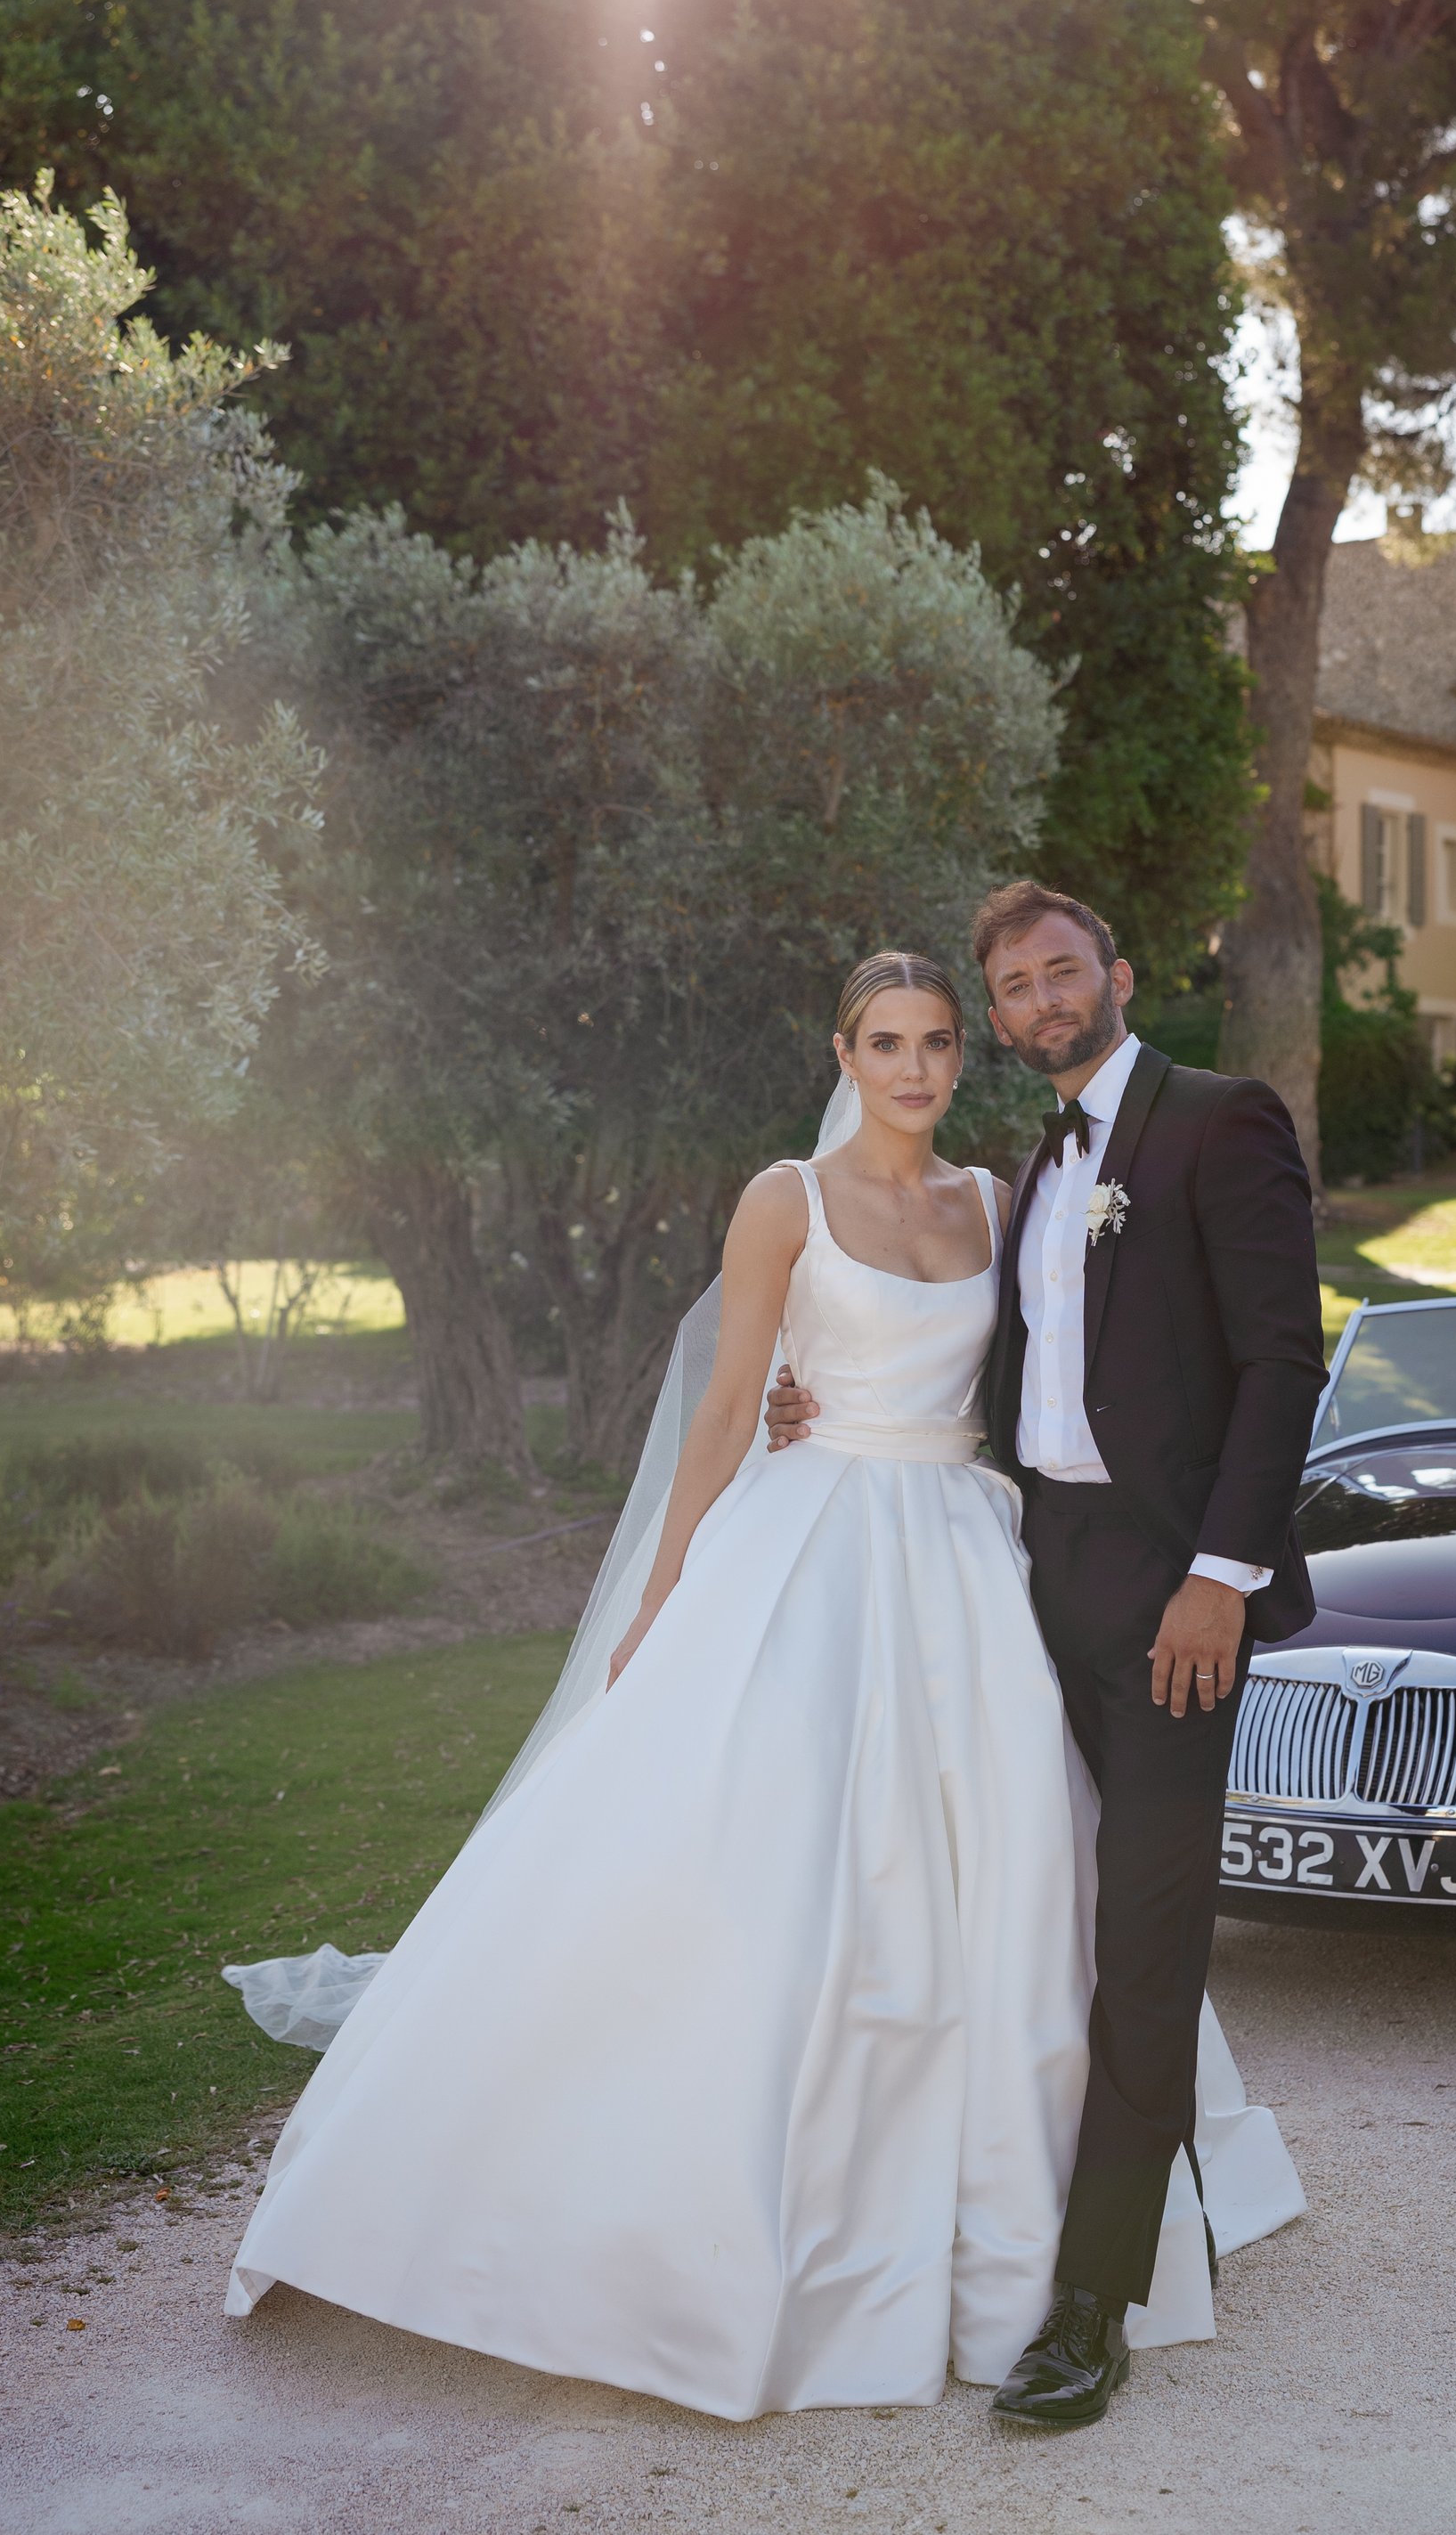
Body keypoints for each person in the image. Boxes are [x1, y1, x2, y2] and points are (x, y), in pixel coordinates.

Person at [224, 950, 1300, 2419]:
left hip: (973, 1566)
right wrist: (669, 1586)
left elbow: (1065, 1371)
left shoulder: (1007, 1198)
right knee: (781, 1864)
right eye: (886, 1043)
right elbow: (732, 1402)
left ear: (956, 1056)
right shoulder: (782, 1198)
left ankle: (1042, 2227)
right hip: (811, 1551)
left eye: (934, 1043)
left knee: (1009, 1879)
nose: (915, 1069)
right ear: (843, 1053)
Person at [769, 884, 1327, 2425]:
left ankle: (1089, 2304)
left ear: (1118, 977)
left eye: (1056, 971)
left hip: (1171, 1598)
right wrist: (803, 1402)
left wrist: (1221, 1576)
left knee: (1145, 1928)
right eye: (1009, 986)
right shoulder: (1021, 1176)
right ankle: (1111, 2175)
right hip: (1024, 1575)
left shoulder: (1222, 1119)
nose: (1035, 999)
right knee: (1031, 1904)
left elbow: (1287, 1358)